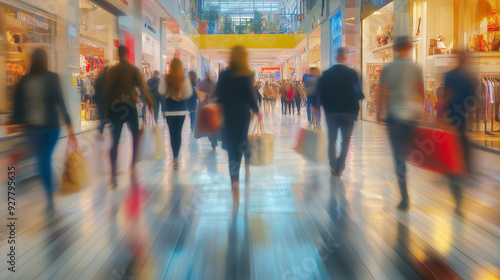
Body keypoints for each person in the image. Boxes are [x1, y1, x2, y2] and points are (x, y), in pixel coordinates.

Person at [13, 48, 76, 210]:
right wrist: (70, 128)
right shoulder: (52, 78)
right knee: (44, 159)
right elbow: (60, 103)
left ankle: (50, 193)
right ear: (46, 60)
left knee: (43, 160)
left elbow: (18, 107)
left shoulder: (24, 80)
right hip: (51, 127)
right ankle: (51, 191)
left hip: (33, 128)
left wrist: (19, 126)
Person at [377, 36, 424, 211]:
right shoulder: (416, 68)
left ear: (395, 49)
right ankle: (408, 183)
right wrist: (420, 110)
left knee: (398, 156)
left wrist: (379, 111)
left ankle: (404, 197)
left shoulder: (388, 68)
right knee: (408, 152)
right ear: (410, 47)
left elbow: (383, 92)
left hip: (394, 117)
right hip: (411, 117)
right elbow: (421, 92)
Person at [105, 46, 153, 187]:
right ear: (127, 54)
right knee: (135, 137)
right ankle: (132, 167)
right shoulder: (133, 70)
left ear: (118, 54)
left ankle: (113, 172)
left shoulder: (112, 71)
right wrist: (149, 103)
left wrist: (106, 110)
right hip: (130, 107)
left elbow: (107, 91)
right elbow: (143, 87)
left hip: (116, 108)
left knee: (115, 141)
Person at [215, 46, 262, 190]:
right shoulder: (245, 75)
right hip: (242, 115)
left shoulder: (223, 75)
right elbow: (250, 96)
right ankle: (246, 166)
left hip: (227, 116)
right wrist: (257, 110)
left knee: (232, 151)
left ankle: (234, 183)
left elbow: (218, 97)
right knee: (242, 142)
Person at [317, 48, 364, 176]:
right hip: (348, 113)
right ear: (345, 57)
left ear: (335, 57)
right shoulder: (352, 74)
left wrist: (324, 107)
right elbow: (358, 94)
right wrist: (356, 112)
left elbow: (320, 94)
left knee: (331, 140)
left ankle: (333, 166)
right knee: (345, 140)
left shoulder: (326, 74)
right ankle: (340, 166)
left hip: (331, 113)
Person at [442, 50, 475, 215]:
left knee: (452, 152)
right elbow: (474, 102)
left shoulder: (450, 75)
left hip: (451, 120)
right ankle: (461, 173)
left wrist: (439, 117)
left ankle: (455, 177)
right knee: (461, 151)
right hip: (460, 121)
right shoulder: (470, 78)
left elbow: (445, 97)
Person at [159, 58, 193, 169]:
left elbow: (160, 91)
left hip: (169, 111)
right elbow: (189, 93)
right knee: (178, 133)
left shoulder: (166, 79)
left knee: (172, 133)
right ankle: (176, 157)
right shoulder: (184, 79)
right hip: (181, 110)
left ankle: (174, 156)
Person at [196, 71, 219, 150]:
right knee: (213, 123)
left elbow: (198, 94)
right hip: (212, 105)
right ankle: (214, 140)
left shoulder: (201, 83)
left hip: (204, 106)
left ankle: (211, 137)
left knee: (207, 123)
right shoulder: (214, 84)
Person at [95, 66, 109, 138]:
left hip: (99, 100)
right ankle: (100, 131)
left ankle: (100, 132)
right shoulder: (109, 77)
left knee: (102, 116)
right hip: (106, 100)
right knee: (105, 117)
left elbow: (96, 88)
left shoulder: (99, 76)